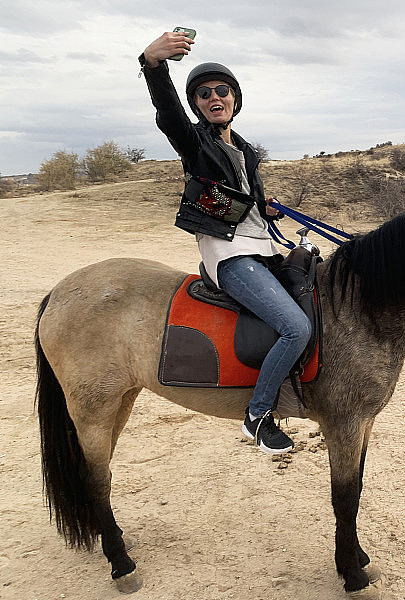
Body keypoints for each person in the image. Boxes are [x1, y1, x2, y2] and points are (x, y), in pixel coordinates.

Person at [139, 30, 311, 454]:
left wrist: (264, 208)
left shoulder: (246, 150)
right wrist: (151, 65)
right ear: (197, 105)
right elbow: (168, 114)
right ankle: (257, 414)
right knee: (295, 327)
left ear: (235, 98)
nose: (214, 97)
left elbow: (243, 198)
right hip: (231, 256)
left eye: (222, 91)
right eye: (203, 94)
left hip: (263, 247)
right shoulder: (194, 141)